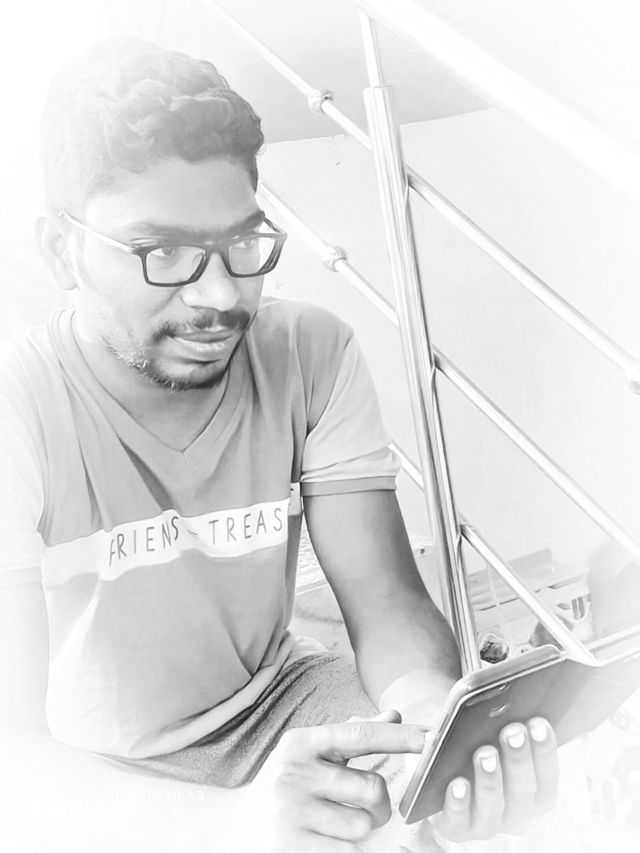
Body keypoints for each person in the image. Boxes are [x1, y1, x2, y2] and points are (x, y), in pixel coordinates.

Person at [0, 38, 560, 852]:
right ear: (62, 251)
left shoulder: (310, 352)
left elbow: (388, 604)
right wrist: (230, 822)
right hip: (98, 771)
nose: (220, 294)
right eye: (163, 253)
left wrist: (430, 732)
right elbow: (12, 760)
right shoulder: (18, 405)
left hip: (286, 705)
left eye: (242, 243)